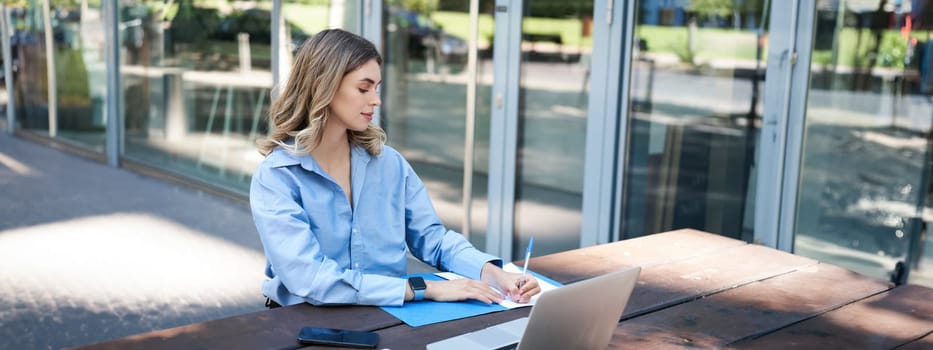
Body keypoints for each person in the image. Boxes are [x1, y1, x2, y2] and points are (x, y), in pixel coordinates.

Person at [250, 29, 540, 307]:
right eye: (363, 88)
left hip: (391, 315)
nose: (375, 100)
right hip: (304, 323)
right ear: (323, 87)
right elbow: (309, 278)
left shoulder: (389, 164)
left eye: (376, 88)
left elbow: (433, 239)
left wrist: (496, 275)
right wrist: (425, 289)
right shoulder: (277, 177)